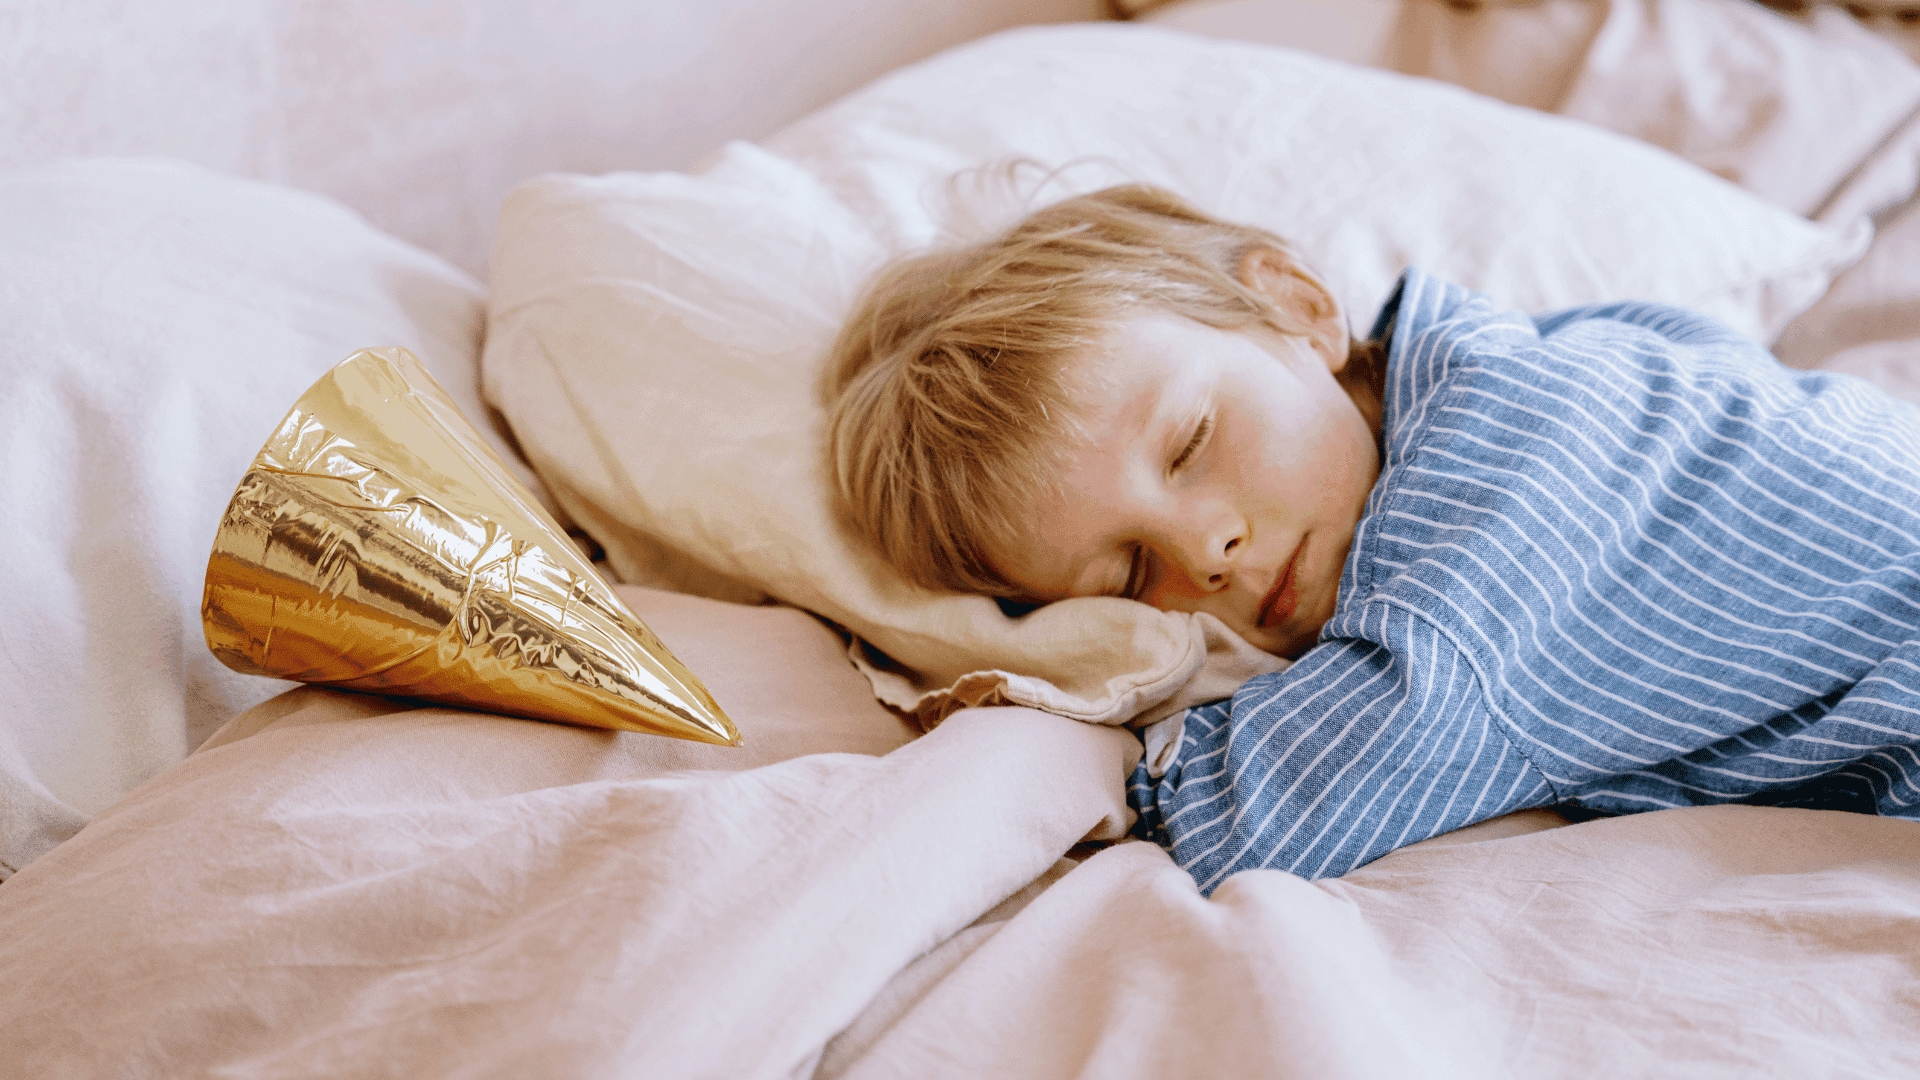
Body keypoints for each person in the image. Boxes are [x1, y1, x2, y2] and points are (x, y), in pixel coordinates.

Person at [824, 184, 1920, 894]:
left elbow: (1241, 825)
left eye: (1193, 442)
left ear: (1298, 304)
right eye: (1126, 573)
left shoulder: (1466, 565)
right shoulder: (1534, 351)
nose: (1207, 553)